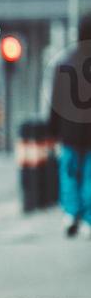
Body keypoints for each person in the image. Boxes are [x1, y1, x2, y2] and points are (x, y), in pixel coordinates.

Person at [48, 14, 91, 236]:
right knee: (89, 174)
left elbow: (56, 101)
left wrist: (52, 130)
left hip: (70, 131)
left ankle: (70, 213)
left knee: (69, 172)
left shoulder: (65, 61)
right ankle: (88, 219)